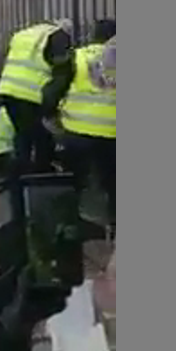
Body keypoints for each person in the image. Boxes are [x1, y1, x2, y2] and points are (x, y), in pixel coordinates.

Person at [0, 19, 76, 175]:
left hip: (8, 90)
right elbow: (61, 75)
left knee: (22, 136)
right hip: (32, 95)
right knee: (42, 137)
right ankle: (41, 175)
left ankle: (19, 177)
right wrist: (50, 108)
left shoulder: (24, 34)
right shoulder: (58, 36)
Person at [57, 21, 117, 232]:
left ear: (93, 35)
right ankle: (113, 226)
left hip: (76, 130)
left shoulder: (77, 56)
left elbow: (57, 88)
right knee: (112, 181)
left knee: (73, 179)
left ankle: (69, 224)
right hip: (111, 133)